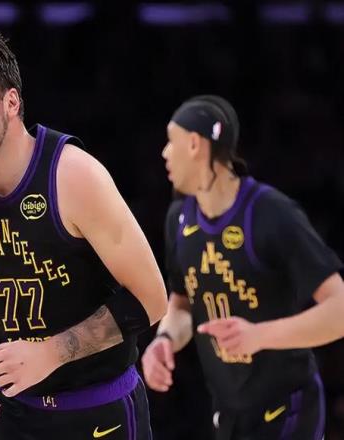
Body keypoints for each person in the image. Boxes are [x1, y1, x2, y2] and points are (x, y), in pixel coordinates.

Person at [0, 31, 167, 440]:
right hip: (13, 411)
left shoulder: (73, 175)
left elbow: (152, 299)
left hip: (97, 408)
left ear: (11, 102)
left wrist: (52, 352)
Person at [141, 95, 344, 440]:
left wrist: (259, 335)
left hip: (289, 408)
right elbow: (182, 306)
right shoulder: (179, 219)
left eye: (171, 141)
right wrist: (164, 340)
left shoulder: (271, 212)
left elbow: (339, 311)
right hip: (229, 414)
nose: (164, 153)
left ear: (195, 144)